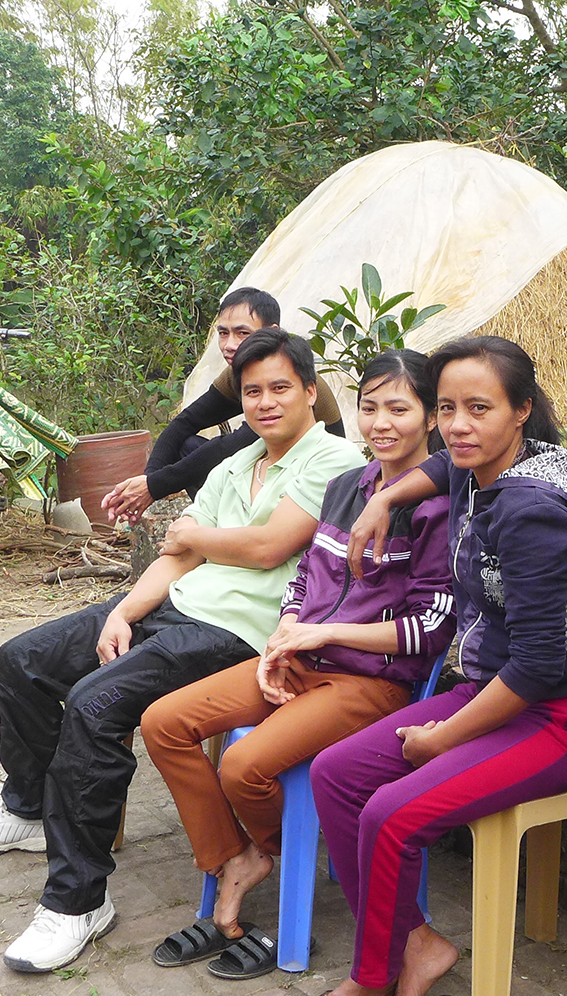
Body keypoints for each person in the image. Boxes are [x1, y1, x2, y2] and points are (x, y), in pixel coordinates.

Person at [0, 328, 366, 974]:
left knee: (93, 705)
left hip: (236, 634)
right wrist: (121, 612)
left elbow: (268, 547)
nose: (266, 402)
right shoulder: (234, 463)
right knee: (22, 660)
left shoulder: (333, 462)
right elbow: (179, 552)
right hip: (174, 609)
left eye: (281, 388)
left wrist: (198, 533)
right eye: (252, 392)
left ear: (311, 391)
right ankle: (27, 808)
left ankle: (77, 901)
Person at [311, 336, 567, 996]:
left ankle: (372, 979)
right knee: (335, 774)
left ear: (521, 411)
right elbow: (443, 472)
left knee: (391, 814)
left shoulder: (531, 513)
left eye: (478, 408)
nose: (456, 425)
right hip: (499, 694)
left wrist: (444, 738)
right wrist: (385, 500)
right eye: (445, 407)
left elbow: (540, 666)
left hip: (565, 720)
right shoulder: (485, 468)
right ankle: (416, 944)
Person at [138, 350, 455, 980]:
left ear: (429, 417)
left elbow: (429, 629)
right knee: (163, 722)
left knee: (245, 765)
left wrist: (323, 631)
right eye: (369, 407)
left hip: (372, 683)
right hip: (301, 658)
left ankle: (270, 856)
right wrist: (286, 634)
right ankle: (237, 857)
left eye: (399, 407)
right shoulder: (346, 488)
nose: (381, 422)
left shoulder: (438, 509)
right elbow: (304, 580)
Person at [101, 286, 344, 523]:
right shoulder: (235, 375)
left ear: (272, 332)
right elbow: (184, 423)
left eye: (242, 333)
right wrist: (146, 482)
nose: (229, 344)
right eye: (223, 333)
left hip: (312, 482)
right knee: (189, 446)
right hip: (268, 468)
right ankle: (217, 522)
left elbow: (232, 446)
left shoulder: (292, 375)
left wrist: (154, 487)